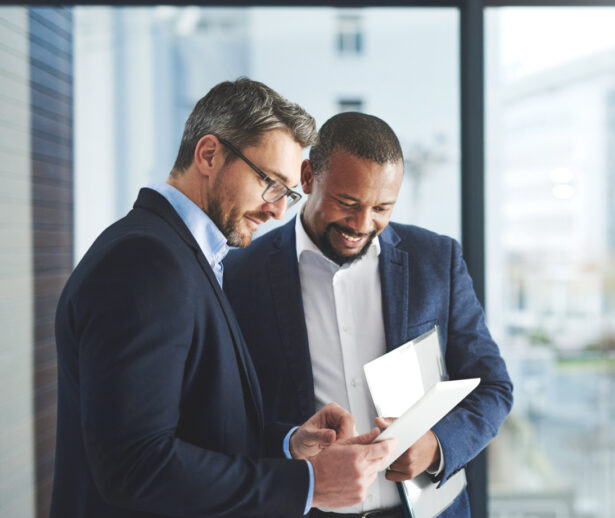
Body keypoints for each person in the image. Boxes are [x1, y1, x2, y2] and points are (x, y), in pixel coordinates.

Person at [51, 79, 396, 518]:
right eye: (271, 184)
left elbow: (189, 427)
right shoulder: (145, 262)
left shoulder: (185, 254)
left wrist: (288, 443)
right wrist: (310, 483)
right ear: (209, 155)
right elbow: (134, 464)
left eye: (288, 196)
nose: (276, 211)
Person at [224, 112, 513, 518]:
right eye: (347, 203)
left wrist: (436, 446)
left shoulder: (436, 260)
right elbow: (228, 416)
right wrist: (289, 441)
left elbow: (493, 387)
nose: (362, 224)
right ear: (307, 178)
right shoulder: (240, 275)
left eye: (382, 207)